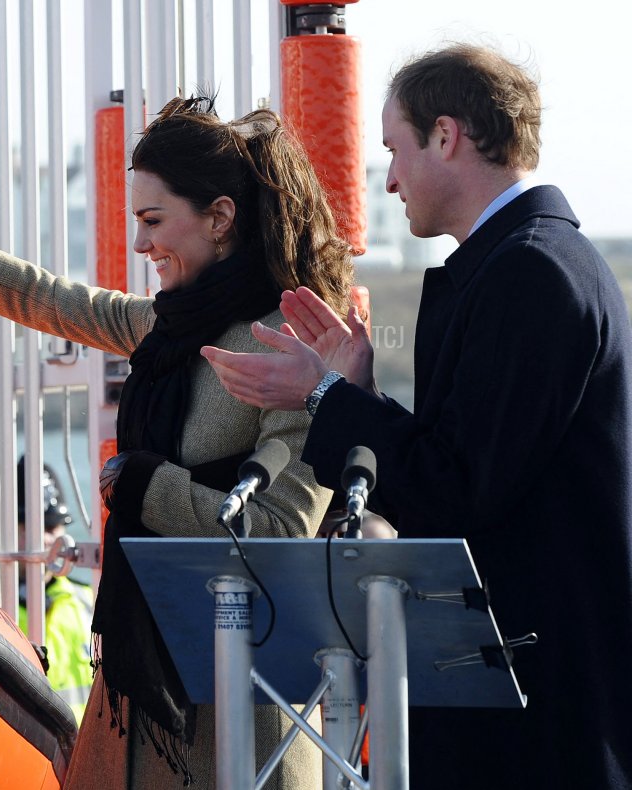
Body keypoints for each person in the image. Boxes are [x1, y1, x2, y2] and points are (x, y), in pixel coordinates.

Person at [0, 96, 357, 789]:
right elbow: (42, 296)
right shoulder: (168, 327)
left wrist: (148, 488)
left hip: (242, 720)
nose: (140, 245)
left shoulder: (293, 347)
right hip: (134, 705)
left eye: (153, 220)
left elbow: (281, 530)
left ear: (221, 218)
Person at [201, 43, 632, 789]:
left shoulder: (531, 273)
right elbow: (471, 460)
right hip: (521, 698)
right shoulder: (535, 262)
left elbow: (457, 486)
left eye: (396, 149)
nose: (390, 179)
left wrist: (324, 399)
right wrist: (357, 390)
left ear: (447, 135)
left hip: (532, 717)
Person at [15, 458, 95, 726]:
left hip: (89, 757)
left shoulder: (91, 601)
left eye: (50, 529)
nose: (42, 540)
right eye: (26, 527)